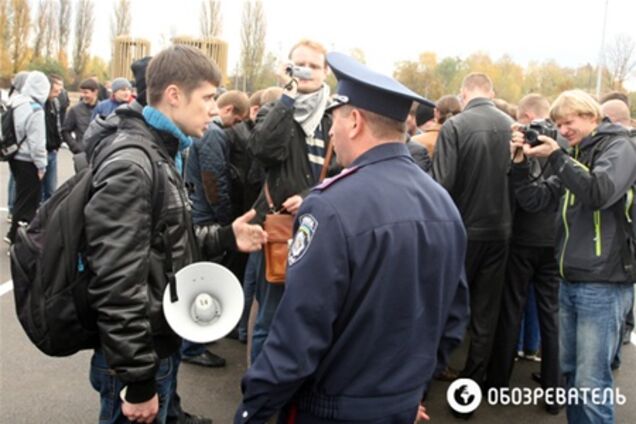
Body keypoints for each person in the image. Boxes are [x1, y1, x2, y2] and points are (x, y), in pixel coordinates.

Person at [235, 51, 469, 424]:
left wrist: (253, 410)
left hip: (332, 408)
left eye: (335, 121)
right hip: (400, 405)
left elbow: (298, 333)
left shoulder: (330, 206)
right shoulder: (443, 203)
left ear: (355, 121)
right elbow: (453, 317)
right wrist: (410, 392)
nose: (330, 132)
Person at [84, 45, 267, 424]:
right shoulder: (134, 164)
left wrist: (225, 237)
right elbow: (116, 282)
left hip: (154, 348)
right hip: (139, 357)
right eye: (208, 98)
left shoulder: (162, 152)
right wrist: (138, 381)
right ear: (174, 96)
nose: (215, 109)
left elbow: (162, 248)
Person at [509, 89, 636, 423]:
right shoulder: (575, 154)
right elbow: (535, 200)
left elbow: (599, 192)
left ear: (591, 116)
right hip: (570, 279)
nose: (563, 131)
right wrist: (520, 163)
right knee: (571, 378)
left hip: (603, 284)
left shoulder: (620, 147)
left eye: (569, 122)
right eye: (559, 124)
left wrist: (558, 158)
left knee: (592, 384)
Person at [247, 39, 334, 362]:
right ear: (289, 67)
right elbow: (264, 151)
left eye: (314, 65)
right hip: (277, 226)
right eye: (300, 64)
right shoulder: (275, 109)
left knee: (311, 317)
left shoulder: (335, 115)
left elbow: (345, 171)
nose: (307, 71)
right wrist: (288, 99)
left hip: (320, 228)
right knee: (268, 319)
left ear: (326, 72)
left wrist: (310, 197)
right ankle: (257, 393)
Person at [432, 73, 514, 386]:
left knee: (448, 303)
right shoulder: (511, 125)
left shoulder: (455, 126)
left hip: (462, 230)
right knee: (486, 309)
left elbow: (442, 184)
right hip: (501, 229)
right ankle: (475, 378)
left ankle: (434, 370)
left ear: (464, 95)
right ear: (491, 93)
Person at [485, 94, 563, 414]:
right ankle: (553, 391)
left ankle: (498, 384)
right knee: (551, 315)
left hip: (523, 238)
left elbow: (517, 193)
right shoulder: (566, 149)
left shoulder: (538, 150)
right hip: (555, 241)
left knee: (511, 309)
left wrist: (517, 157)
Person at [180, 90, 249, 368]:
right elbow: (213, 180)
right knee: (202, 280)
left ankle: (194, 340)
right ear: (230, 110)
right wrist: (225, 220)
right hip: (205, 216)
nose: (237, 128)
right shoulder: (214, 134)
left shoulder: (208, 133)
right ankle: (192, 346)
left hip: (199, 212)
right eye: (239, 121)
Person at [5, 71, 50, 244]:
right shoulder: (35, 109)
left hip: (14, 155)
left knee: (20, 198)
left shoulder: (17, 102)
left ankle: (13, 234)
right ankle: (19, 240)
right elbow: (37, 143)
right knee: (29, 203)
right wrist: (41, 166)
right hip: (28, 160)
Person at [42, 74, 64, 201]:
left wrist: (58, 143)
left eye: (60, 91)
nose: (58, 93)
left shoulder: (55, 103)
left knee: (51, 190)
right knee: (38, 190)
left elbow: (57, 125)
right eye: (56, 91)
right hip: (41, 152)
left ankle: (47, 216)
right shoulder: (38, 105)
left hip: (52, 151)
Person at [62, 78, 99, 153]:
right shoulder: (75, 110)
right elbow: (65, 131)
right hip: (82, 154)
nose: (83, 95)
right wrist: (75, 147)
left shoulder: (103, 109)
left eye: (86, 93)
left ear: (95, 92)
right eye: (81, 92)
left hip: (99, 153)